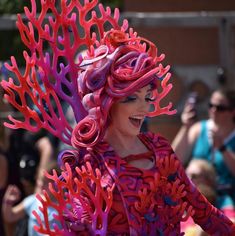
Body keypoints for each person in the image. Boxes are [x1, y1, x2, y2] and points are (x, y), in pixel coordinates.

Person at [0, 0, 235, 235]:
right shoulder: (89, 162)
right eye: (132, 98)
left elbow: (203, 211)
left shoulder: (160, 149)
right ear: (107, 103)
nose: (143, 108)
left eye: (147, 97)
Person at [172, 89, 235, 214]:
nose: (214, 110)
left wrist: (222, 148)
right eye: (211, 106)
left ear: (232, 112)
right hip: (196, 196)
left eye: (220, 108)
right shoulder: (198, 129)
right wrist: (186, 127)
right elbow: (173, 160)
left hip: (226, 198)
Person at [2, 161, 60, 236]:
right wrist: (8, 202)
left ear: (57, 185)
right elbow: (10, 217)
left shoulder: (64, 207)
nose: (41, 184)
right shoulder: (33, 201)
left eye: (46, 182)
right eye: (40, 179)